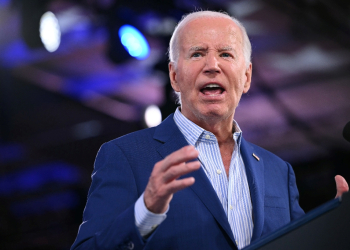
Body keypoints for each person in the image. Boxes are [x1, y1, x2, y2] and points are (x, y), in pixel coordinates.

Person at [71, 10, 349, 250]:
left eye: (226, 54)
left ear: (247, 77)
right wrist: (146, 210)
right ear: (175, 76)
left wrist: (332, 227)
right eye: (197, 53)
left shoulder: (278, 171)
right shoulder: (126, 156)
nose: (212, 65)